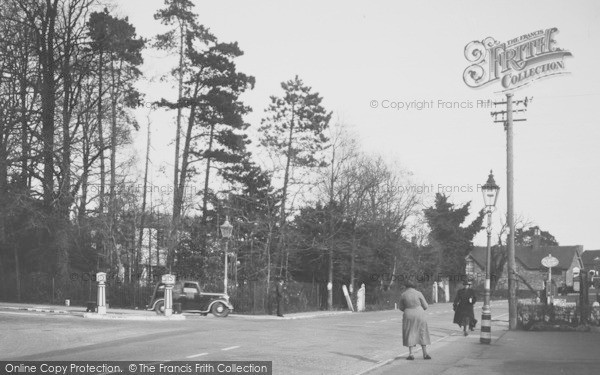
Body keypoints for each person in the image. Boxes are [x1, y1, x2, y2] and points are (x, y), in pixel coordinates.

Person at [398, 279, 431, 360]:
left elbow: (401, 307)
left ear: (406, 286)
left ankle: (411, 354)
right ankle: (425, 354)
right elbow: (426, 306)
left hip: (408, 314)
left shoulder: (403, 294)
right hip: (419, 314)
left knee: (410, 332)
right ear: (414, 286)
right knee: (422, 332)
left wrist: (408, 309)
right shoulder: (419, 293)